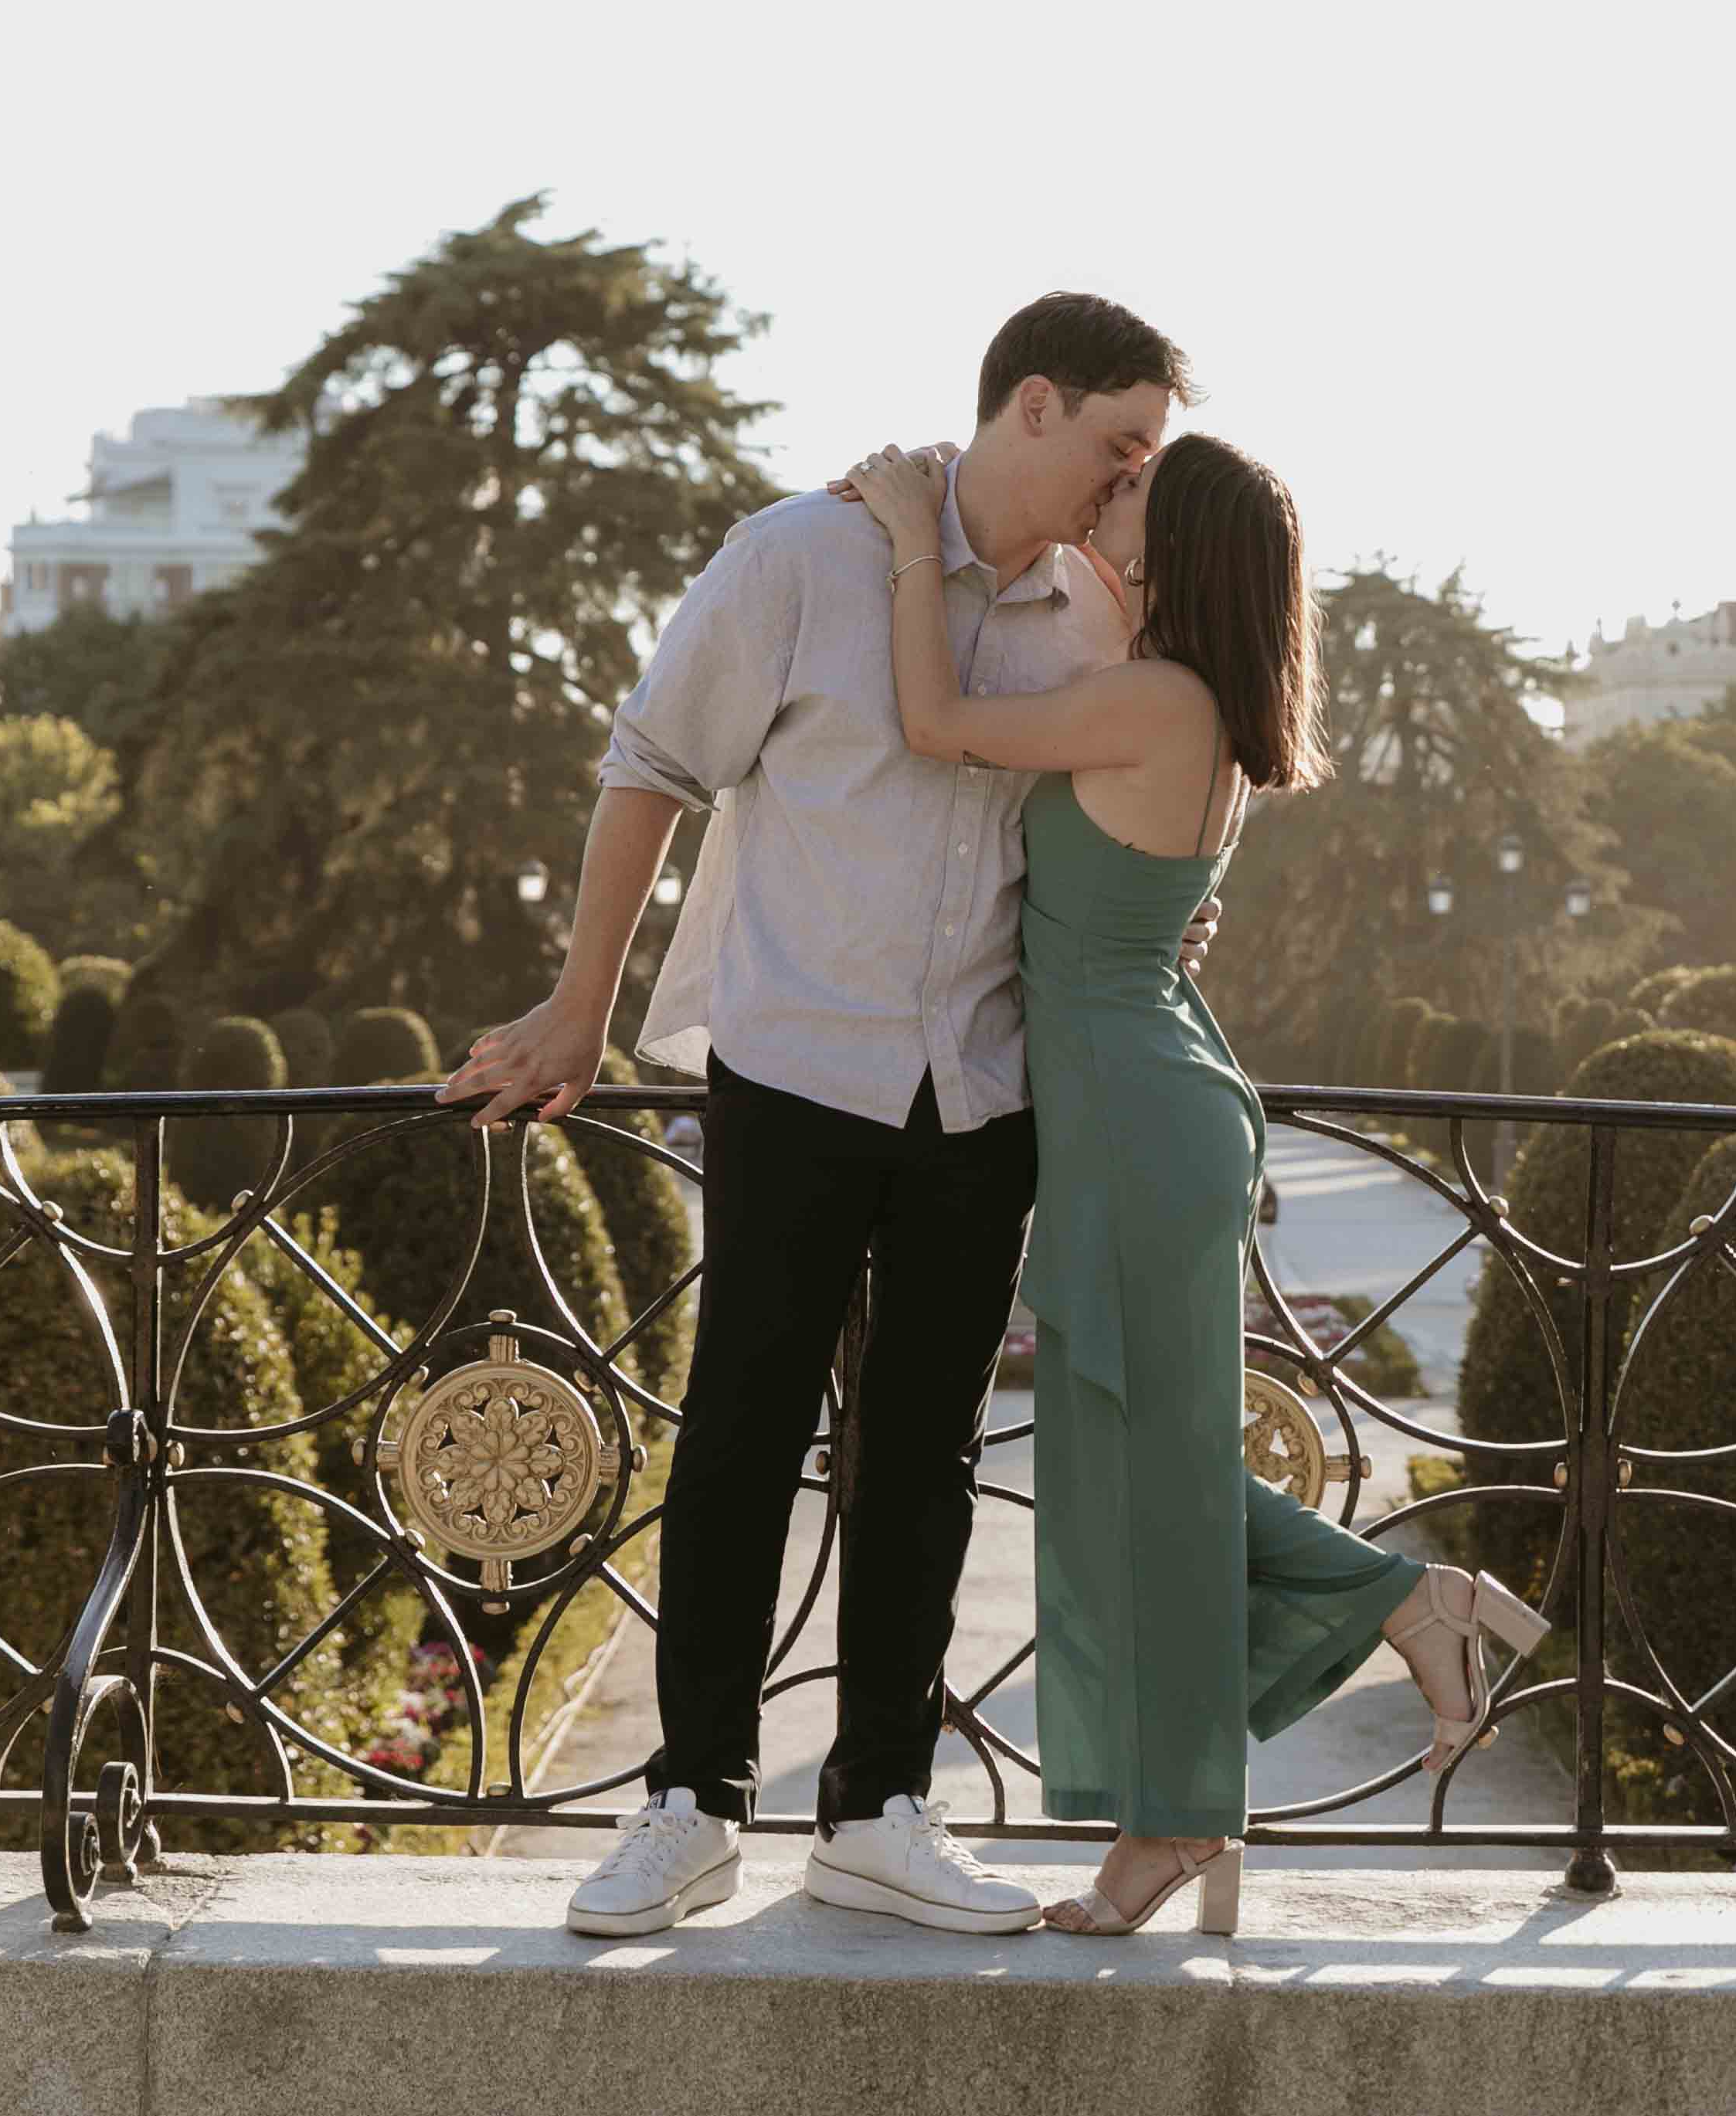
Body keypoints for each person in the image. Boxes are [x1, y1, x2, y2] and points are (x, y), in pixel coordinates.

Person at [439, 294, 1217, 1939]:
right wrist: (581, 1005)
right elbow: (651, 760)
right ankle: (687, 1804)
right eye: (1117, 445)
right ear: (1029, 406)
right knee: (740, 1428)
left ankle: (879, 1808)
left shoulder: (1094, 610)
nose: (1128, 479)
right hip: (795, 1062)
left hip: (982, 1087)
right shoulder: (797, 555)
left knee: (926, 1451)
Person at [833, 431, 1548, 1937]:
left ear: (1180, 551)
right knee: (1128, 1475)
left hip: (1142, 1123)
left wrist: (910, 533)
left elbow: (934, 714)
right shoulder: (1190, 694)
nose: (1108, 500)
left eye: (1134, 494)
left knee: (1133, 1489)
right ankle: (1404, 1615)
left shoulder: (1155, 700)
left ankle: (1170, 1823)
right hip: (1139, 1107)